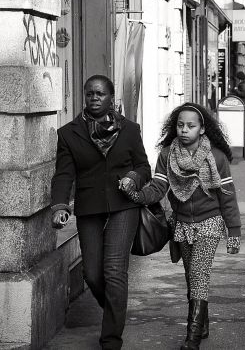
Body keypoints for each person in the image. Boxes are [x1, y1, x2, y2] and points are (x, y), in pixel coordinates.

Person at [121, 102, 241, 350]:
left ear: (202, 129)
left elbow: (227, 196)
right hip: (182, 224)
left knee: (198, 274)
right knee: (191, 276)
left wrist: (234, 232)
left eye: (191, 126)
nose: (184, 130)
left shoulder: (216, 157)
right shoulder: (167, 155)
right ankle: (203, 322)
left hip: (210, 222)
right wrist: (138, 195)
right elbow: (158, 187)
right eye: (180, 125)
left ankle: (192, 337)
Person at [50, 75, 151, 350]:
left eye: (100, 94)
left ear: (111, 97)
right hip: (89, 207)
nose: (94, 98)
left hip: (123, 205)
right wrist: (60, 206)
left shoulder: (130, 129)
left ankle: (111, 340)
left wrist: (133, 177)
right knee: (93, 275)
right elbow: (63, 175)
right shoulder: (69, 133)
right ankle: (115, 310)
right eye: (90, 94)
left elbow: (144, 167)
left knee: (115, 271)